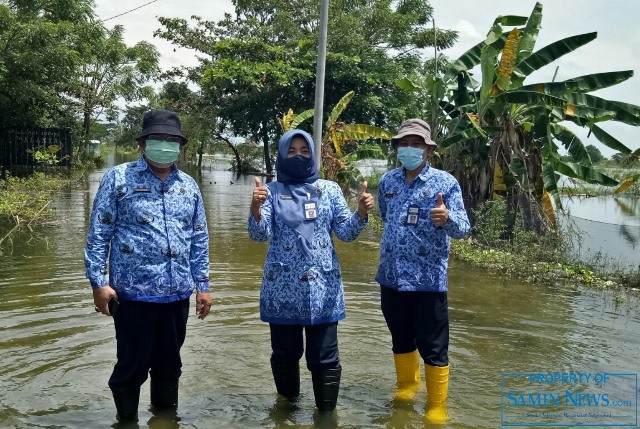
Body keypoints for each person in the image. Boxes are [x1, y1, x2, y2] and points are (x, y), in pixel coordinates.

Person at [84, 109, 212, 422]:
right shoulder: (119, 178)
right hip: (132, 295)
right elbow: (99, 234)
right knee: (131, 365)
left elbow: (199, 239)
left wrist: (203, 286)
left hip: (177, 295)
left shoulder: (189, 187)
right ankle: (126, 422)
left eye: (172, 140)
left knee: (170, 365)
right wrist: (98, 283)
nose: (165, 145)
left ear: (180, 146)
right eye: (159, 139)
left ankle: (165, 420)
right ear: (143, 143)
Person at [248, 129, 374, 413]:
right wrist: (255, 208)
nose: (298, 156)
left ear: (313, 155)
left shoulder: (329, 190)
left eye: (304, 151)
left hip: (323, 290)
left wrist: (362, 213)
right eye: (291, 151)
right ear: (281, 155)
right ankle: (288, 411)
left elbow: (345, 232)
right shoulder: (269, 192)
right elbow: (259, 235)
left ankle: (326, 416)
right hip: (281, 290)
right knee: (284, 355)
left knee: (325, 357)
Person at [375, 118, 470, 423]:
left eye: (417, 144)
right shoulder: (387, 182)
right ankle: (406, 387)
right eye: (405, 143)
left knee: (434, 347)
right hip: (391, 277)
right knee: (400, 337)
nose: (410, 148)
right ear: (396, 148)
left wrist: (447, 219)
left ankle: (437, 403)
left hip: (428, 280)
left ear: (428, 149)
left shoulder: (445, 183)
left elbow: (463, 228)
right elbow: (385, 215)